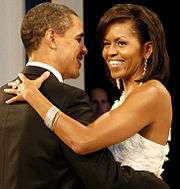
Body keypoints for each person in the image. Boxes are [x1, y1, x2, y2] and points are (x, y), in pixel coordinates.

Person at [0, 2, 170, 189]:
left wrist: (34, 95)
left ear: (147, 49)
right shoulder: (82, 99)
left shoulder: (152, 92)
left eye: (121, 43)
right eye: (106, 43)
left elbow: (84, 140)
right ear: (51, 38)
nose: (110, 51)